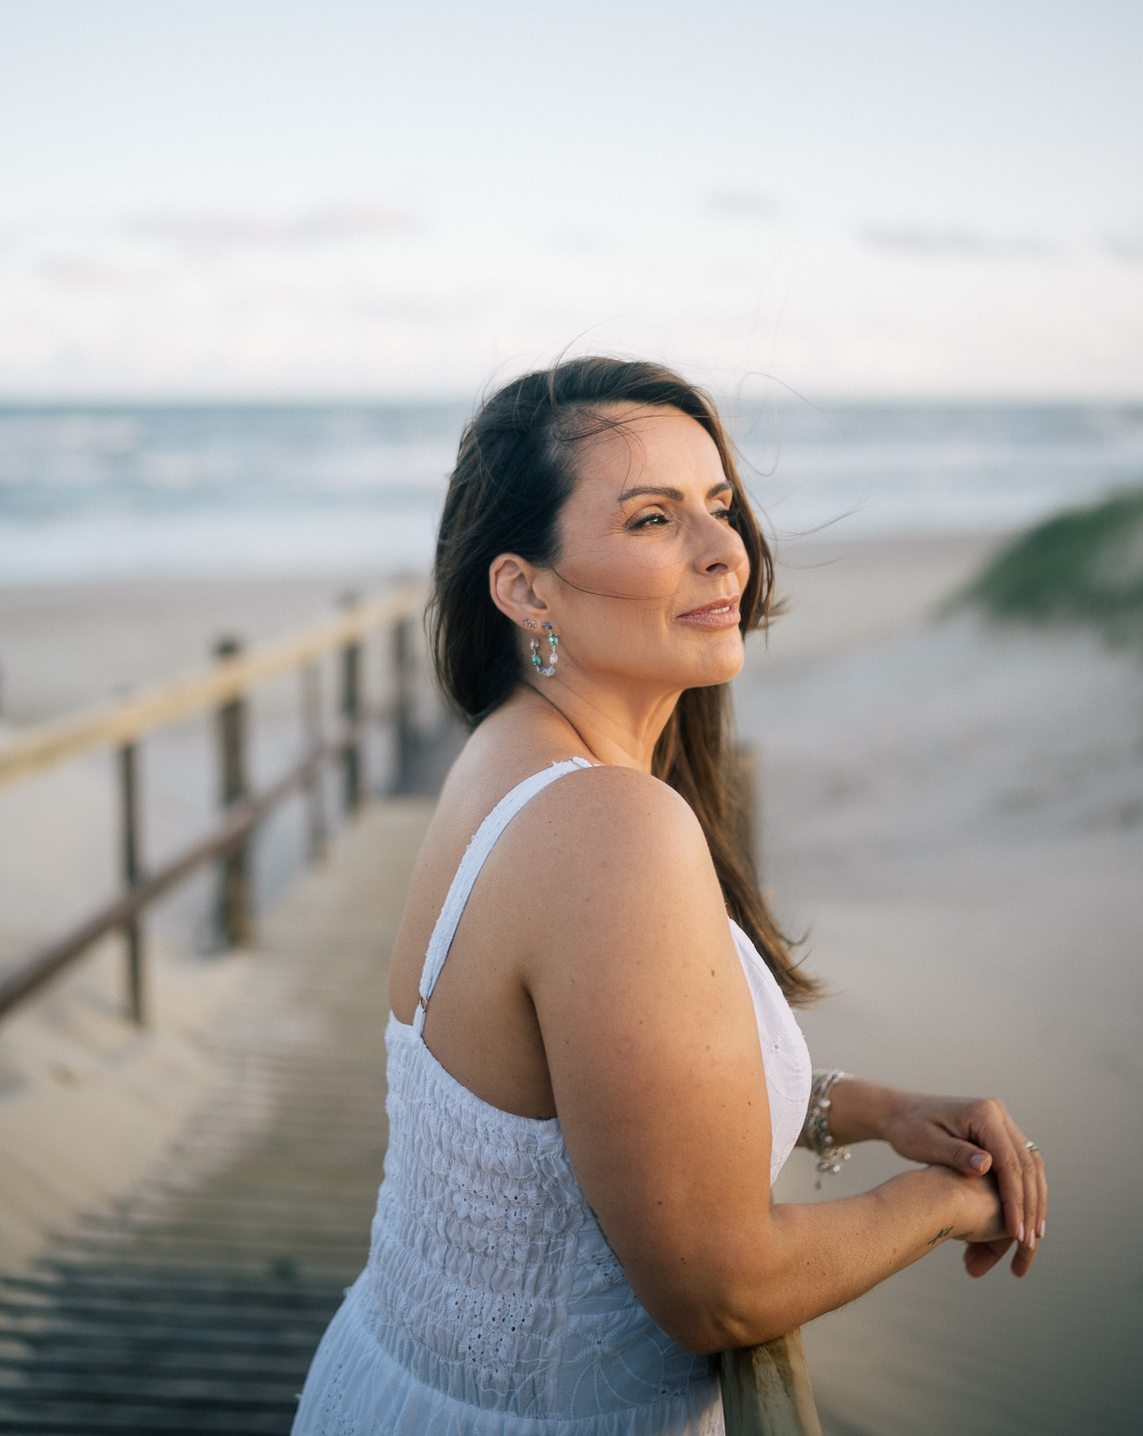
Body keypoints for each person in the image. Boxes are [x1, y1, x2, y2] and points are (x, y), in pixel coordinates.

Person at [293, 358, 1046, 1435]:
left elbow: (595, 1093)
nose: (723, 550)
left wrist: (876, 1110)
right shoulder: (610, 829)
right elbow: (719, 1288)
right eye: (652, 518)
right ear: (524, 588)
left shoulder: (505, 759)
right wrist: (951, 1201)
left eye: (720, 506)